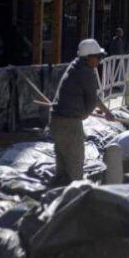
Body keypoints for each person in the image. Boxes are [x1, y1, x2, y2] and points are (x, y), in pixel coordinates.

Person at [50, 39, 114, 185]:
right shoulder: (87, 72)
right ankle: (75, 200)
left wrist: (106, 112)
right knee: (75, 167)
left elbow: (93, 97)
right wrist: (84, 114)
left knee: (62, 165)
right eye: (97, 57)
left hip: (56, 120)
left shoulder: (74, 66)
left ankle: (57, 196)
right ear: (88, 57)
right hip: (69, 123)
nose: (99, 61)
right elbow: (91, 101)